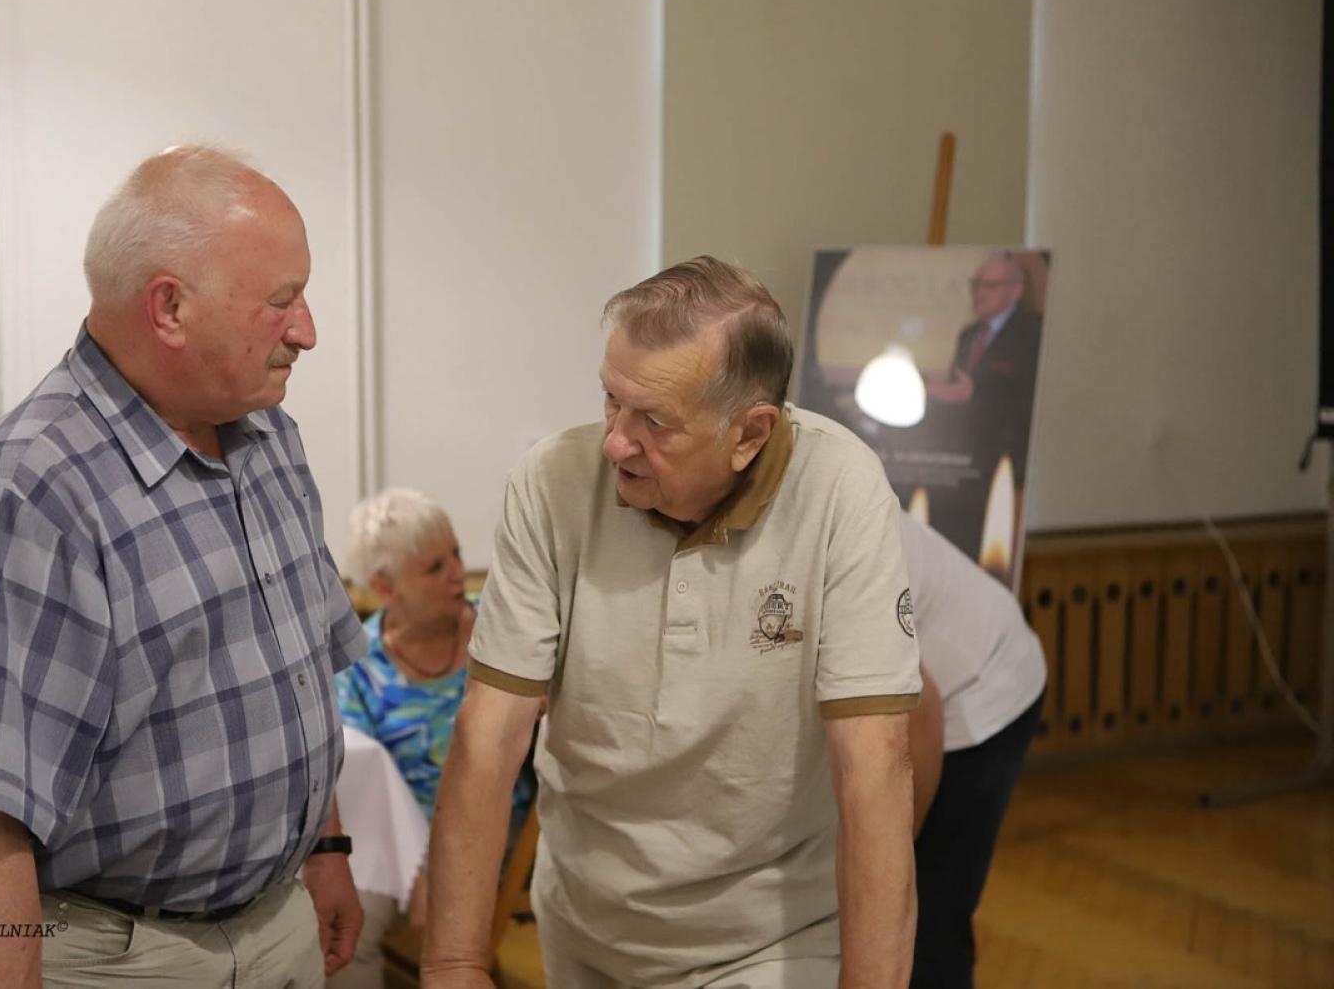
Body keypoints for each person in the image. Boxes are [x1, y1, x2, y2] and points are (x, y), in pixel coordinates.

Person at [0, 145, 367, 987]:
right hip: (128, 958)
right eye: (281, 301)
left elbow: (296, 678)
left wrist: (327, 848)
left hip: (279, 921)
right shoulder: (28, 493)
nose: (306, 330)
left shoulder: (268, 439)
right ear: (169, 309)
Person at [422, 256, 924, 989]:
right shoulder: (550, 484)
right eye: (610, 401)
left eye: (653, 421)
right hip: (586, 927)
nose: (615, 442)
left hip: (770, 942)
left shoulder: (840, 488)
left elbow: (875, 767)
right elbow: (489, 734)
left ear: (749, 432)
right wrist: (454, 964)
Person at [329, 488, 535, 989]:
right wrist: (420, 860)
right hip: (396, 840)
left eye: (456, 555)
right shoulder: (358, 665)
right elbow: (358, 792)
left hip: (501, 830)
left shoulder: (501, 627)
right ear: (384, 586)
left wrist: (444, 864)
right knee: (341, 929)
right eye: (433, 567)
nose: (456, 574)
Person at [900, 511, 1046, 989]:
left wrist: (893, 858)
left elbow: (921, 712)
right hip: (928, 693)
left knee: (923, 913)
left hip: (984, 688)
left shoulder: (836, 538)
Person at [925, 252, 1044, 558]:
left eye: (989, 285)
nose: (979, 292)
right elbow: (958, 387)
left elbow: (1029, 397)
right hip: (963, 464)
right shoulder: (969, 334)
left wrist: (974, 395)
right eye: (976, 284)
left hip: (1007, 467)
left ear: (1015, 291)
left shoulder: (1033, 332)